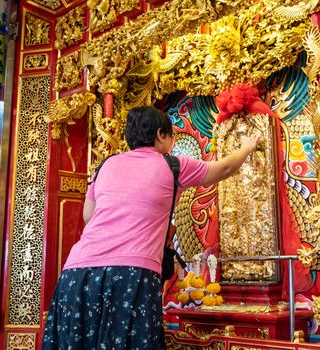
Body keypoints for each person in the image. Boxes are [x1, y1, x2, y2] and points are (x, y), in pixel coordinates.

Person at [42, 105, 260, 350]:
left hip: (77, 274)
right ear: (160, 135)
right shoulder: (172, 165)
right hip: (129, 274)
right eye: (170, 137)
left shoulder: (104, 166)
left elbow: (88, 216)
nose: (171, 143)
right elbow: (225, 168)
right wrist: (247, 147)